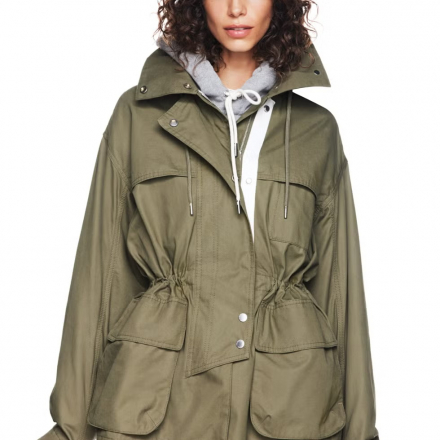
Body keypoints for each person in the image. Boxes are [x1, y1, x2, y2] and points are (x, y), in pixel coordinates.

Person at [38, 1, 380, 440]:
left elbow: (340, 292)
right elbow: (99, 282)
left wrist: (361, 431)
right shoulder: (139, 117)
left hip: (287, 404)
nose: (237, 9)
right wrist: (69, 429)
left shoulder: (316, 131)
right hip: (158, 406)